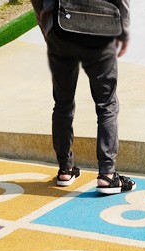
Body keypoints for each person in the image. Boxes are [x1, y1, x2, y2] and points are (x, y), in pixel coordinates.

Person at [31, 0, 135, 194]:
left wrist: (46, 26)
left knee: (63, 102)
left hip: (60, 25)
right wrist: (125, 29)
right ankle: (107, 175)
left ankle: (65, 169)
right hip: (100, 25)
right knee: (107, 103)